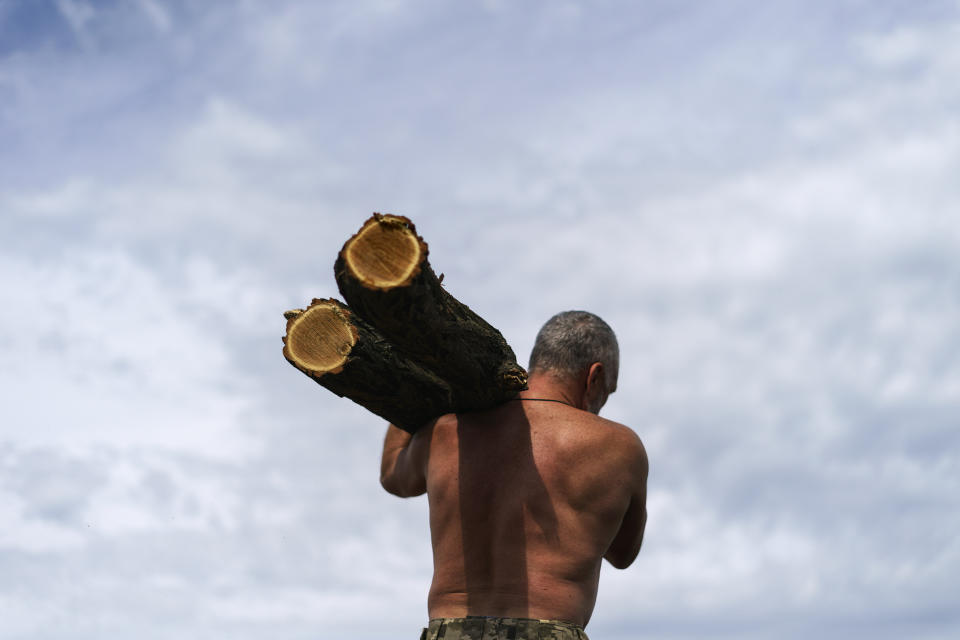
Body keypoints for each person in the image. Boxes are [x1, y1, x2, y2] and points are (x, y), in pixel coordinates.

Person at [380, 311, 648, 640]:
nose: (603, 403)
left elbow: (392, 475)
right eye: (608, 390)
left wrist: (423, 393)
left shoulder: (446, 431)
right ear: (595, 376)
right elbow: (623, 553)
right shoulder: (620, 447)